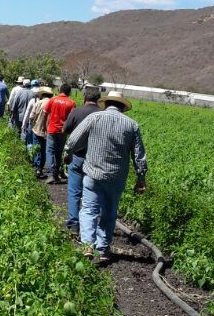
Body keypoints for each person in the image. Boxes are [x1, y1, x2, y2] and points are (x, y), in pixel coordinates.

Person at [63, 91, 146, 265]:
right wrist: (140, 178)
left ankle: (87, 245)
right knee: (109, 212)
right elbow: (139, 155)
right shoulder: (132, 125)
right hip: (116, 177)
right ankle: (103, 249)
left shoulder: (95, 118)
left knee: (88, 209)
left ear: (106, 103)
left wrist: (67, 154)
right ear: (122, 107)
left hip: (93, 174)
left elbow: (74, 138)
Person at [61, 85, 101, 233]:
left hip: (77, 156)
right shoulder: (101, 114)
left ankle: (73, 224)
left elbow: (65, 129)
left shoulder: (76, 111)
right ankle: (90, 226)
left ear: (84, 97)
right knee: (92, 193)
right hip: (95, 160)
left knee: (74, 191)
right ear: (98, 100)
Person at [42, 82, 76, 183]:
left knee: (50, 151)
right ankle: (55, 174)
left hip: (51, 129)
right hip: (63, 131)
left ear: (60, 90)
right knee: (58, 152)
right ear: (69, 92)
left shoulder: (53, 100)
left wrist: (44, 126)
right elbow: (72, 119)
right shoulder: (71, 103)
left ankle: (51, 175)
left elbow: (45, 114)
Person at [23, 86, 53, 176]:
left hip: (37, 129)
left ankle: (37, 168)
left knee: (37, 148)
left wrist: (33, 123)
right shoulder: (53, 104)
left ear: (42, 95)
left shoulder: (38, 103)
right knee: (44, 149)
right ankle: (42, 167)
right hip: (49, 130)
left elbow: (31, 117)